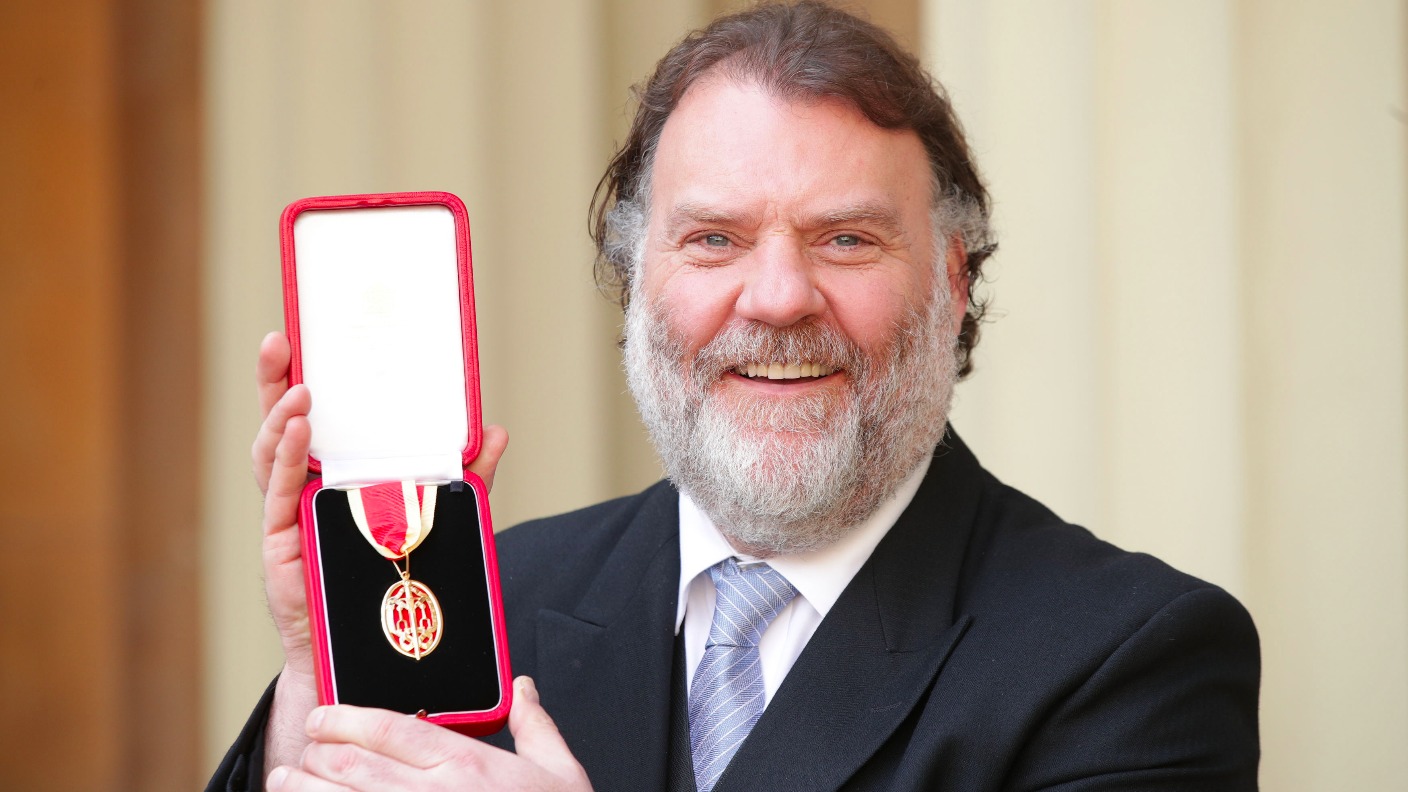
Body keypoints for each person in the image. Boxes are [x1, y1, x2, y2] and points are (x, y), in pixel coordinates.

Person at [210, 3, 1260, 790]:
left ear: (952, 280)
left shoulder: (1132, 658)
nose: (778, 297)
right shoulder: (493, 601)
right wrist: (318, 671)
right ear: (635, 283)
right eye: (714, 239)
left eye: (845, 239)